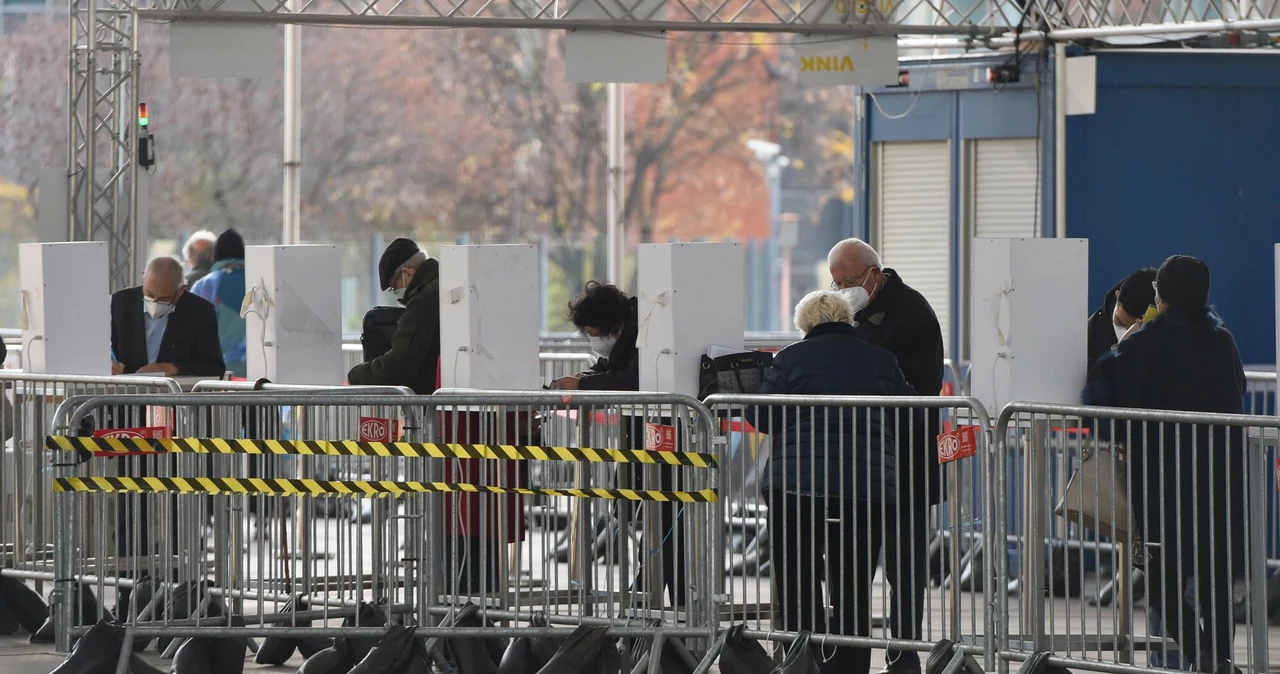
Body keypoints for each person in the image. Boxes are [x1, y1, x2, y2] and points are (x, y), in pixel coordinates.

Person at [1084, 255, 1246, 674]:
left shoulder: (1142, 346)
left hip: (1163, 485)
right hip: (1220, 481)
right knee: (1216, 581)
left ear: (1162, 296)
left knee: (1163, 586)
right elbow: (1239, 389)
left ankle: (1201, 656)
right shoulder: (1222, 341)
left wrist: (1117, 350)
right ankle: (1219, 658)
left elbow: (1100, 413)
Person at [759, 289, 920, 674]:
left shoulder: (790, 359)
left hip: (796, 486)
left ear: (807, 325)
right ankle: (850, 665)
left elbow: (763, 417)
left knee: (798, 577)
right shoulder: (882, 359)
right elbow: (910, 413)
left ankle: (805, 660)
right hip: (865, 488)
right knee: (853, 582)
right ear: (848, 321)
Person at [828, 238, 942, 674]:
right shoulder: (844, 312)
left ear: (874, 275)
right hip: (857, 468)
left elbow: (919, 388)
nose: (843, 290)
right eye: (836, 284)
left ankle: (903, 655)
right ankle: (849, 655)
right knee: (849, 568)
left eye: (850, 282)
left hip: (903, 464)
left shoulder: (913, 312)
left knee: (904, 570)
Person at [347, 238, 440, 394]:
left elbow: (399, 364)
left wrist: (356, 375)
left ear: (408, 274)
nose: (396, 293)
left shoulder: (424, 300)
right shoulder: (442, 285)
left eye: (394, 287)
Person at [110, 257, 225, 377]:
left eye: (164, 299)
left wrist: (174, 367)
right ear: (144, 276)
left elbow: (215, 367)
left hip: (177, 392)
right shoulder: (119, 303)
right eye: (149, 294)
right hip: (126, 390)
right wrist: (108, 363)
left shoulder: (201, 312)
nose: (154, 301)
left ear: (181, 290)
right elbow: (100, 348)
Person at [549, 281, 637, 391]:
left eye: (597, 335)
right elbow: (605, 368)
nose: (595, 341)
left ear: (614, 325)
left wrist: (582, 384)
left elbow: (630, 380)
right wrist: (584, 376)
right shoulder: (622, 340)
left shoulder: (641, 338)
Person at [191, 229, 247, 377]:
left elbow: (192, 332)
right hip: (260, 370)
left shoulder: (205, 286)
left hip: (217, 372)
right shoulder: (260, 280)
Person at [1086, 267, 1157, 364]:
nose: (1129, 332)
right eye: (1121, 322)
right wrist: (1118, 353)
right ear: (1118, 295)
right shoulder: (1088, 337)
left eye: (1140, 326)